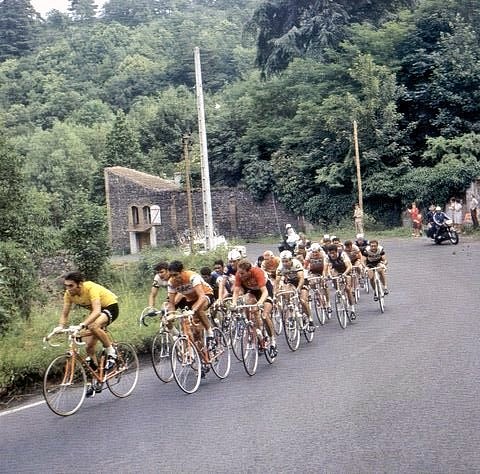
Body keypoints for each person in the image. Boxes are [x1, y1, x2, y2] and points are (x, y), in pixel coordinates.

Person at [57, 271, 119, 385]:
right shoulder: (68, 294)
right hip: (98, 312)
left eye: (71, 286)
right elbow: (64, 314)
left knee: (94, 326)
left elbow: (96, 311)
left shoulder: (90, 288)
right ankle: (97, 377)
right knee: (89, 347)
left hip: (110, 307)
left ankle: (111, 351)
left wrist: (82, 325)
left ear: (80, 284)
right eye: (66, 286)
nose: (68, 289)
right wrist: (60, 327)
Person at [232, 259, 278, 356]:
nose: (240, 275)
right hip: (252, 291)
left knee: (265, 315)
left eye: (242, 273)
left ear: (249, 271)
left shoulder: (257, 272)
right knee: (248, 303)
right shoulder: (239, 274)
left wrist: (260, 302)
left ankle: (272, 341)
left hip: (264, 290)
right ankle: (259, 334)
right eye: (239, 273)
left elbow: (265, 292)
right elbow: (236, 291)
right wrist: (234, 303)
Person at [166, 260, 216, 350]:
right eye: (171, 275)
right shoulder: (171, 282)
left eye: (176, 275)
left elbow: (201, 297)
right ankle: (178, 336)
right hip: (190, 299)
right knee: (165, 316)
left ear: (182, 271)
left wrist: (193, 310)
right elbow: (171, 303)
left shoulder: (192, 277)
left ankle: (210, 334)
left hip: (206, 294)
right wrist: (171, 314)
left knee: (198, 310)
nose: (174, 278)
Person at [275, 250, 315, 330]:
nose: (285, 263)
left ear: (291, 260)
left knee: (303, 300)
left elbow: (301, 278)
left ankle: (310, 319)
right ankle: (291, 314)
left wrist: (299, 288)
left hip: (302, 281)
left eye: (286, 261)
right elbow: (277, 281)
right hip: (291, 281)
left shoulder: (296, 264)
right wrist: (275, 292)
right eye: (283, 262)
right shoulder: (280, 267)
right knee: (287, 294)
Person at [323, 244, 356, 319]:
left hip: (346, 270)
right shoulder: (327, 257)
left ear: (336, 251)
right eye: (330, 253)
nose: (332, 255)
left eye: (333, 253)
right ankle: (339, 292)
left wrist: (345, 274)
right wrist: (325, 276)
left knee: (347, 288)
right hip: (337, 270)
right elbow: (325, 268)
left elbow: (349, 266)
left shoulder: (342, 254)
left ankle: (352, 309)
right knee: (334, 278)